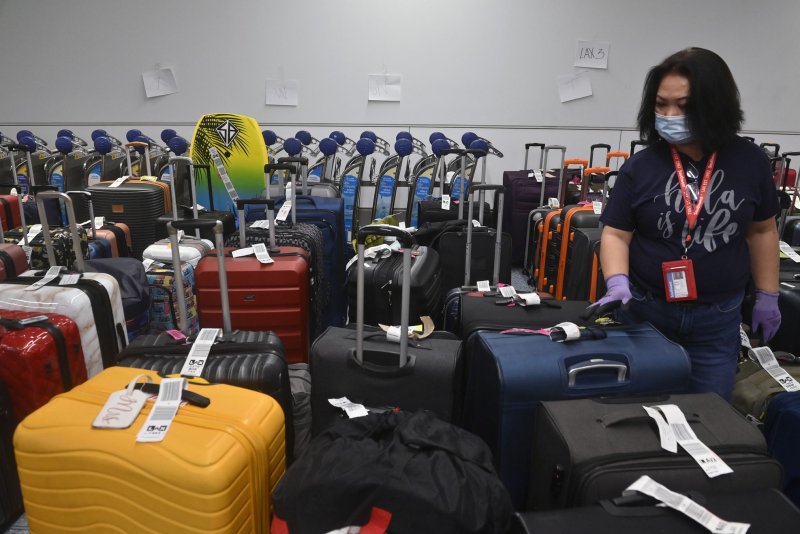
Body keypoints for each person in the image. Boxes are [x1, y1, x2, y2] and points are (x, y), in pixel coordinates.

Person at [586, 47, 781, 401]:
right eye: (661, 104)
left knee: (708, 412)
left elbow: (762, 230)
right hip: (648, 309)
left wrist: (769, 295)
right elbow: (616, 233)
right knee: (641, 408)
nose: (670, 115)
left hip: (718, 315)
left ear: (715, 104)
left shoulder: (750, 162)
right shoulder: (641, 167)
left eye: (685, 105)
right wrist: (616, 282)